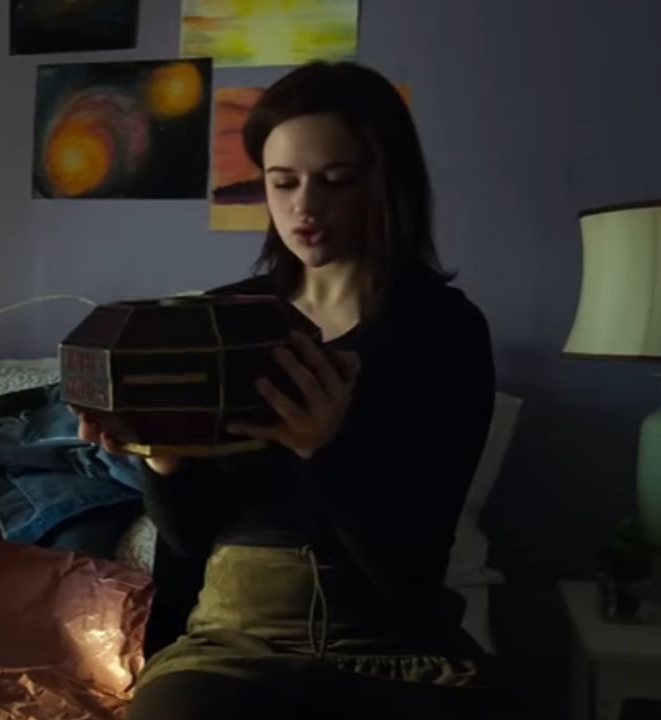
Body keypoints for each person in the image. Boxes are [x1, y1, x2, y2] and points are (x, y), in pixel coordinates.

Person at [74, 61, 520, 719]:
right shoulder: (220, 321)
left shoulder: (445, 330)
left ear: (387, 181)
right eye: (282, 182)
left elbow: (413, 567)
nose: (304, 207)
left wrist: (328, 449)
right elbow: (191, 541)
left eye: (334, 180)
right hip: (237, 637)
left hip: (395, 643)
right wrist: (163, 460)